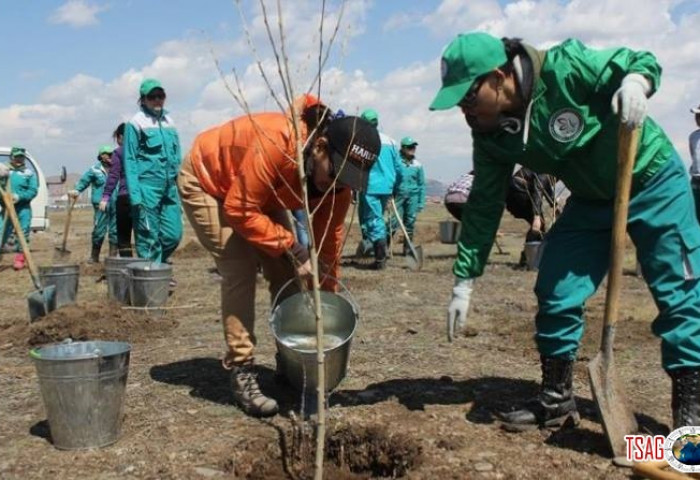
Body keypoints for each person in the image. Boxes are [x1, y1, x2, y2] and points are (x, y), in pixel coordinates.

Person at [431, 31, 700, 431]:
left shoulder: (564, 68)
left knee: (678, 294)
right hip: (591, 199)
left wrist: (635, 83)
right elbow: (485, 205)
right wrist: (464, 281)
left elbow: (638, 58)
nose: (464, 111)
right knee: (556, 287)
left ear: (499, 75)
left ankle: (691, 415)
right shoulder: (490, 134)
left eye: (468, 97)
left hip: (650, 178)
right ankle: (556, 399)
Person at [177, 97, 380, 418]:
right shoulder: (278, 143)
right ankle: (241, 367)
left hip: (262, 191)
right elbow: (240, 208)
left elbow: (328, 247)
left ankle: (291, 364)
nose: (339, 185)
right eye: (336, 173)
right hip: (210, 180)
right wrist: (294, 246)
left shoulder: (337, 187)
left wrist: (325, 308)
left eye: (349, 179)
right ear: (320, 147)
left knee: (287, 272)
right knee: (240, 265)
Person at [123, 78, 182, 264]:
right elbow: (130, 159)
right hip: (146, 187)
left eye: (161, 95)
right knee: (148, 236)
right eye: (152, 96)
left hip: (169, 187)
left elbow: (177, 154)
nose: (157, 100)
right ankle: (152, 279)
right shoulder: (135, 123)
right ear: (143, 99)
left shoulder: (169, 121)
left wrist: (179, 184)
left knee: (174, 234)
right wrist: (135, 195)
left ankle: (158, 266)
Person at [356, 108, 402, 269]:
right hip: (387, 187)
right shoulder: (390, 141)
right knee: (377, 219)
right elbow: (399, 167)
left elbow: (356, 166)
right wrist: (396, 186)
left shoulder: (362, 141)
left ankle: (380, 259)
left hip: (370, 187)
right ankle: (377, 252)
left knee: (374, 220)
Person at [69, 146, 118, 262]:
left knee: (115, 231)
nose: (111, 156)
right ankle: (94, 257)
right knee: (99, 231)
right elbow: (84, 181)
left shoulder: (117, 168)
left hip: (116, 204)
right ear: (101, 156)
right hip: (101, 205)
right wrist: (77, 190)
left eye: (112, 154)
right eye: (108, 154)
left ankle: (112, 259)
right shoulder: (94, 170)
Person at [0, 147, 38, 270]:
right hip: (7, 207)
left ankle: (20, 259)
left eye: (21, 156)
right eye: (16, 156)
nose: (19, 159)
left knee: (23, 233)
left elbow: (33, 191)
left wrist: (19, 196)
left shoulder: (28, 173)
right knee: (1, 231)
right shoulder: (4, 170)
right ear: (11, 157)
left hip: (23, 208)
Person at [100, 123, 134, 258]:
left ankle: (128, 264)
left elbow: (113, 176)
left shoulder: (119, 152)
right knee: (144, 236)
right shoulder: (143, 151)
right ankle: (147, 269)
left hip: (125, 197)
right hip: (145, 196)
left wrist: (105, 197)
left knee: (124, 238)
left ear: (120, 137)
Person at [389, 136, 426, 255]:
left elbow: (421, 184)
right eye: (410, 147)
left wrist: (421, 202)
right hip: (398, 195)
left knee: (410, 222)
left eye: (414, 147)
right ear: (403, 148)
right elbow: (390, 178)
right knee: (393, 222)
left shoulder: (418, 165)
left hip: (413, 196)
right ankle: (384, 246)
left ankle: (407, 248)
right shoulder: (396, 162)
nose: (413, 149)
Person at [690, 104, 700, 219]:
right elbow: (694, 156)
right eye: (697, 116)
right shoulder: (693, 137)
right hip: (696, 181)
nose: (697, 118)